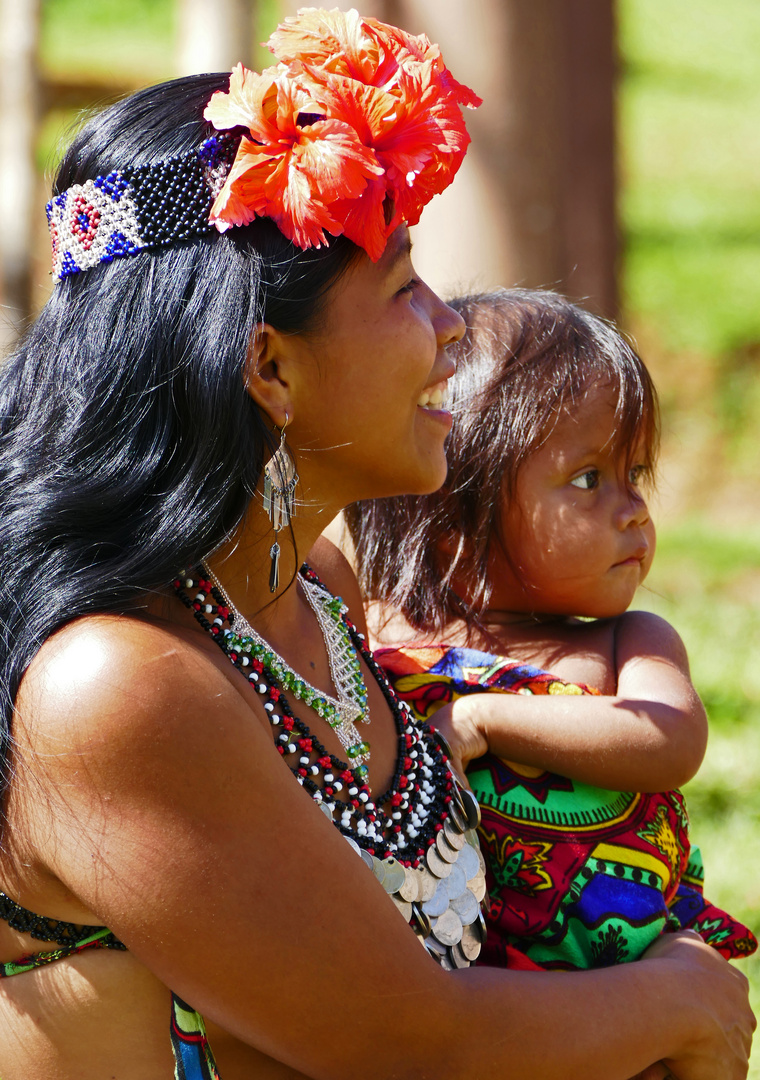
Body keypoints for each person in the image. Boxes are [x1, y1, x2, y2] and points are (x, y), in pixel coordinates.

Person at [0, 9, 752, 1078]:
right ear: (269, 370)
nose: (452, 327)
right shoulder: (114, 686)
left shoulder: (318, 592)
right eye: (403, 287)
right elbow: (406, 1043)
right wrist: (680, 999)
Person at [346, 288, 757, 971]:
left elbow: (670, 740)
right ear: (452, 520)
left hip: (628, 985)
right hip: (463, 995)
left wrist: (487, 722)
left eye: (637, 474)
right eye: (590, 477)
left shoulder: (628, 643)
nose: (634, 510)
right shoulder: (380, 644)